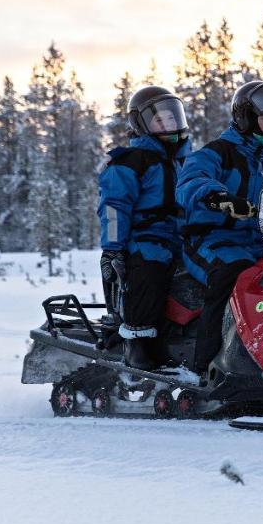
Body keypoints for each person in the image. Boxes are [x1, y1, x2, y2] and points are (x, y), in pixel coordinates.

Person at [178, 79, 263, 377]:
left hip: (261, 242)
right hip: (212, 238)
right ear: (245, 117)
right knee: (232, 273)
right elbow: (191, 180)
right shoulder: (219, 152)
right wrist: (217, 196)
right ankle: (204, 368)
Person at [98, 86, 192, 369]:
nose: (168, 125)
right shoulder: (130, 162)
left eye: (172, 118)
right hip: (147, 237)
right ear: (141, 124)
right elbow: (114, 207)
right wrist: (112, 250)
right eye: (159, 120)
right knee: (151, 268)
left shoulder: (186, 161)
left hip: (184, 237)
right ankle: (136, 341)